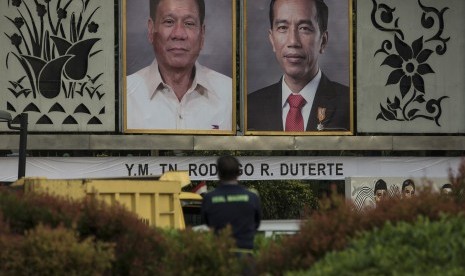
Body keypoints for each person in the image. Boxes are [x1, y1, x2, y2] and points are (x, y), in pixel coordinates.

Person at [126, 0, 232, 131]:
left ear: (202, 34)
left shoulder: (230, 95)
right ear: (151, 29)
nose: (179, 34)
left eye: (189, 23)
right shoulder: (124, 96)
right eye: (169, 22)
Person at [247, 0, 349, 132]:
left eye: (304, 28)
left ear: (323, 41)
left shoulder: (351, 105)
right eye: (283, 28)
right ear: (272, 40)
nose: (293, 41)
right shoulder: (250, 107)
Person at [201, 155, 261, 252]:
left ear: (219, 173)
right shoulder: (252, 197)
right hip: (246, 255)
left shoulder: (209, 198)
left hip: (219, 256)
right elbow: (256, 224)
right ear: (238, 172)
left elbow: (207, 223)